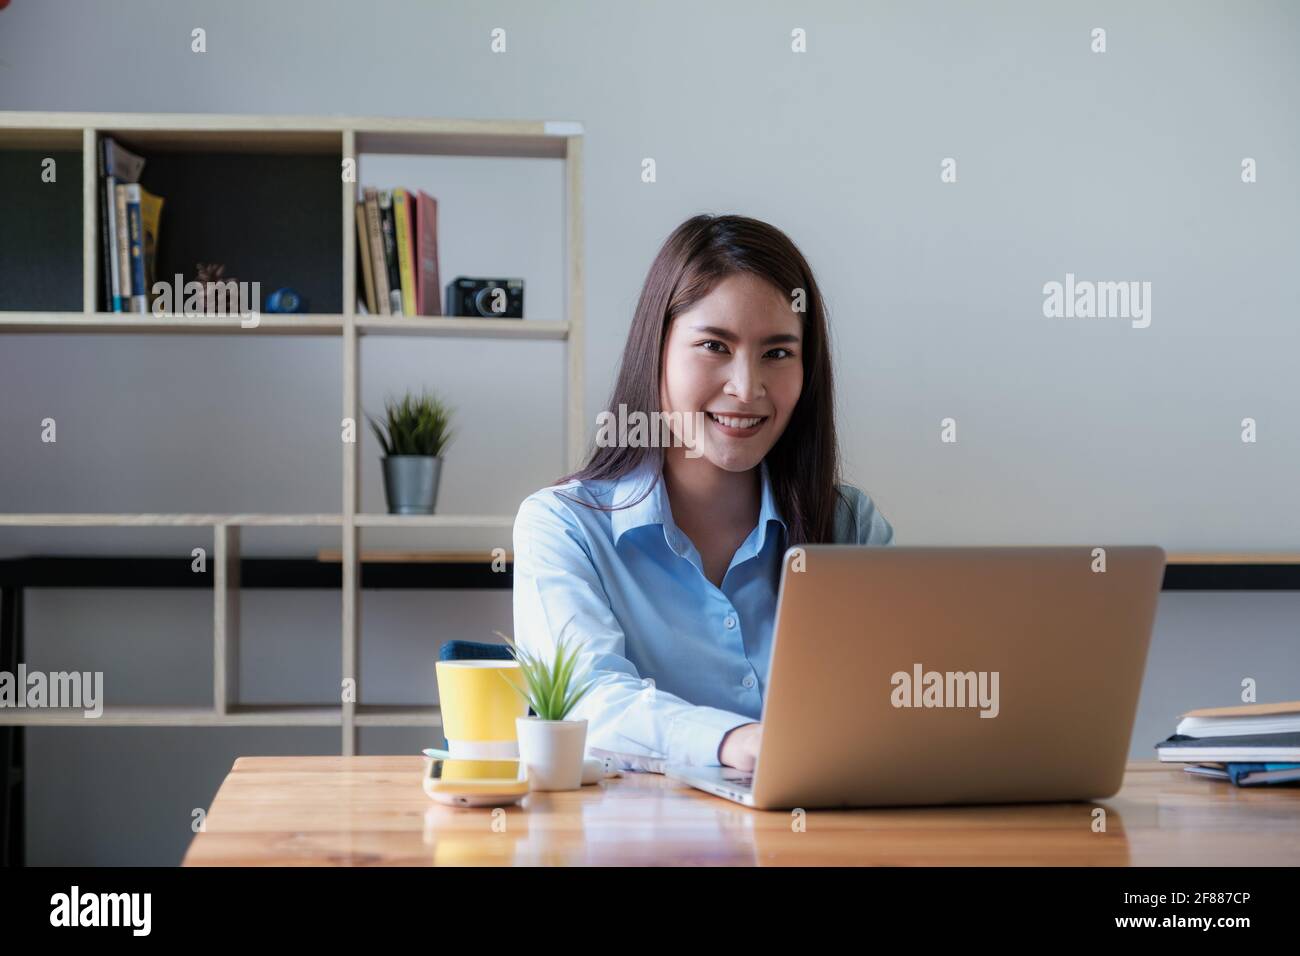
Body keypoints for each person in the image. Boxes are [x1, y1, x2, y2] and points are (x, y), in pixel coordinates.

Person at [512, 214, 894, 773]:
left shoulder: (849, 526)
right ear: (657, 351)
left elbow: (892, 706)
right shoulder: (564, 526)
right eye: (715, 345)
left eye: (778, 353)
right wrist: (735, 741)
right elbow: (586, 703)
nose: (746, 388)